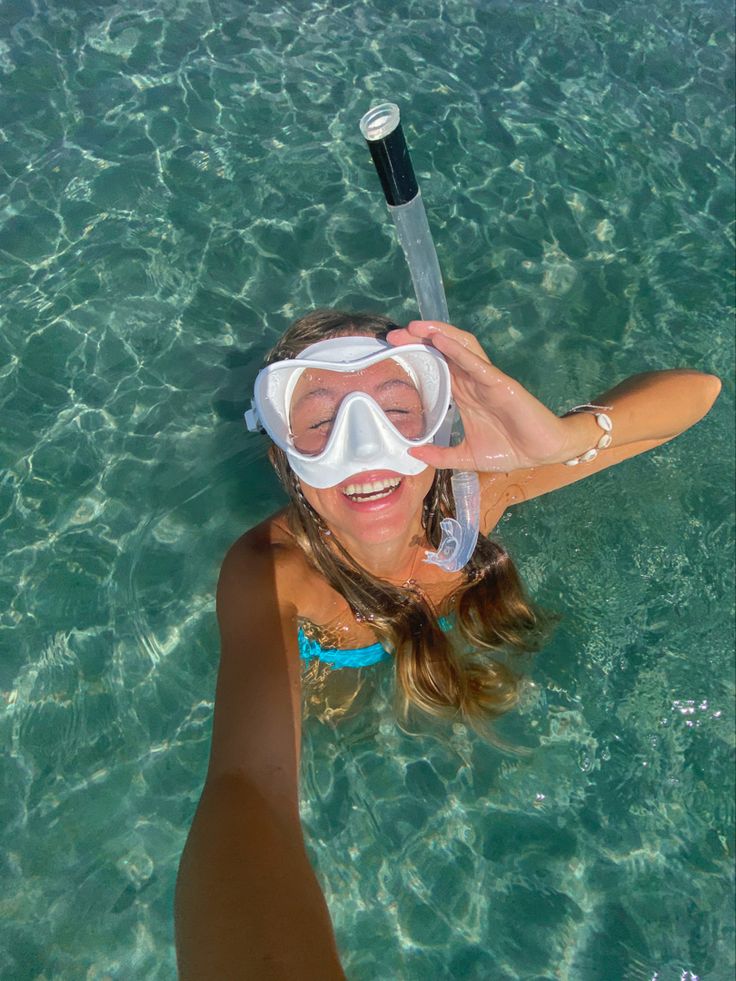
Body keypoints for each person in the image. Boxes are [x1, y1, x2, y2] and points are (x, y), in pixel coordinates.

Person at [174, 309, 721, 979]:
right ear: (284, 459)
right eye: (321, 423)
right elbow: (247, 788)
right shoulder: (271, 573)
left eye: (396, 410)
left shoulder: (473, 501)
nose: (365, 446)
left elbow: (699, 391)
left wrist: (557, 440)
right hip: (333, 675)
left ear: (441, 425)